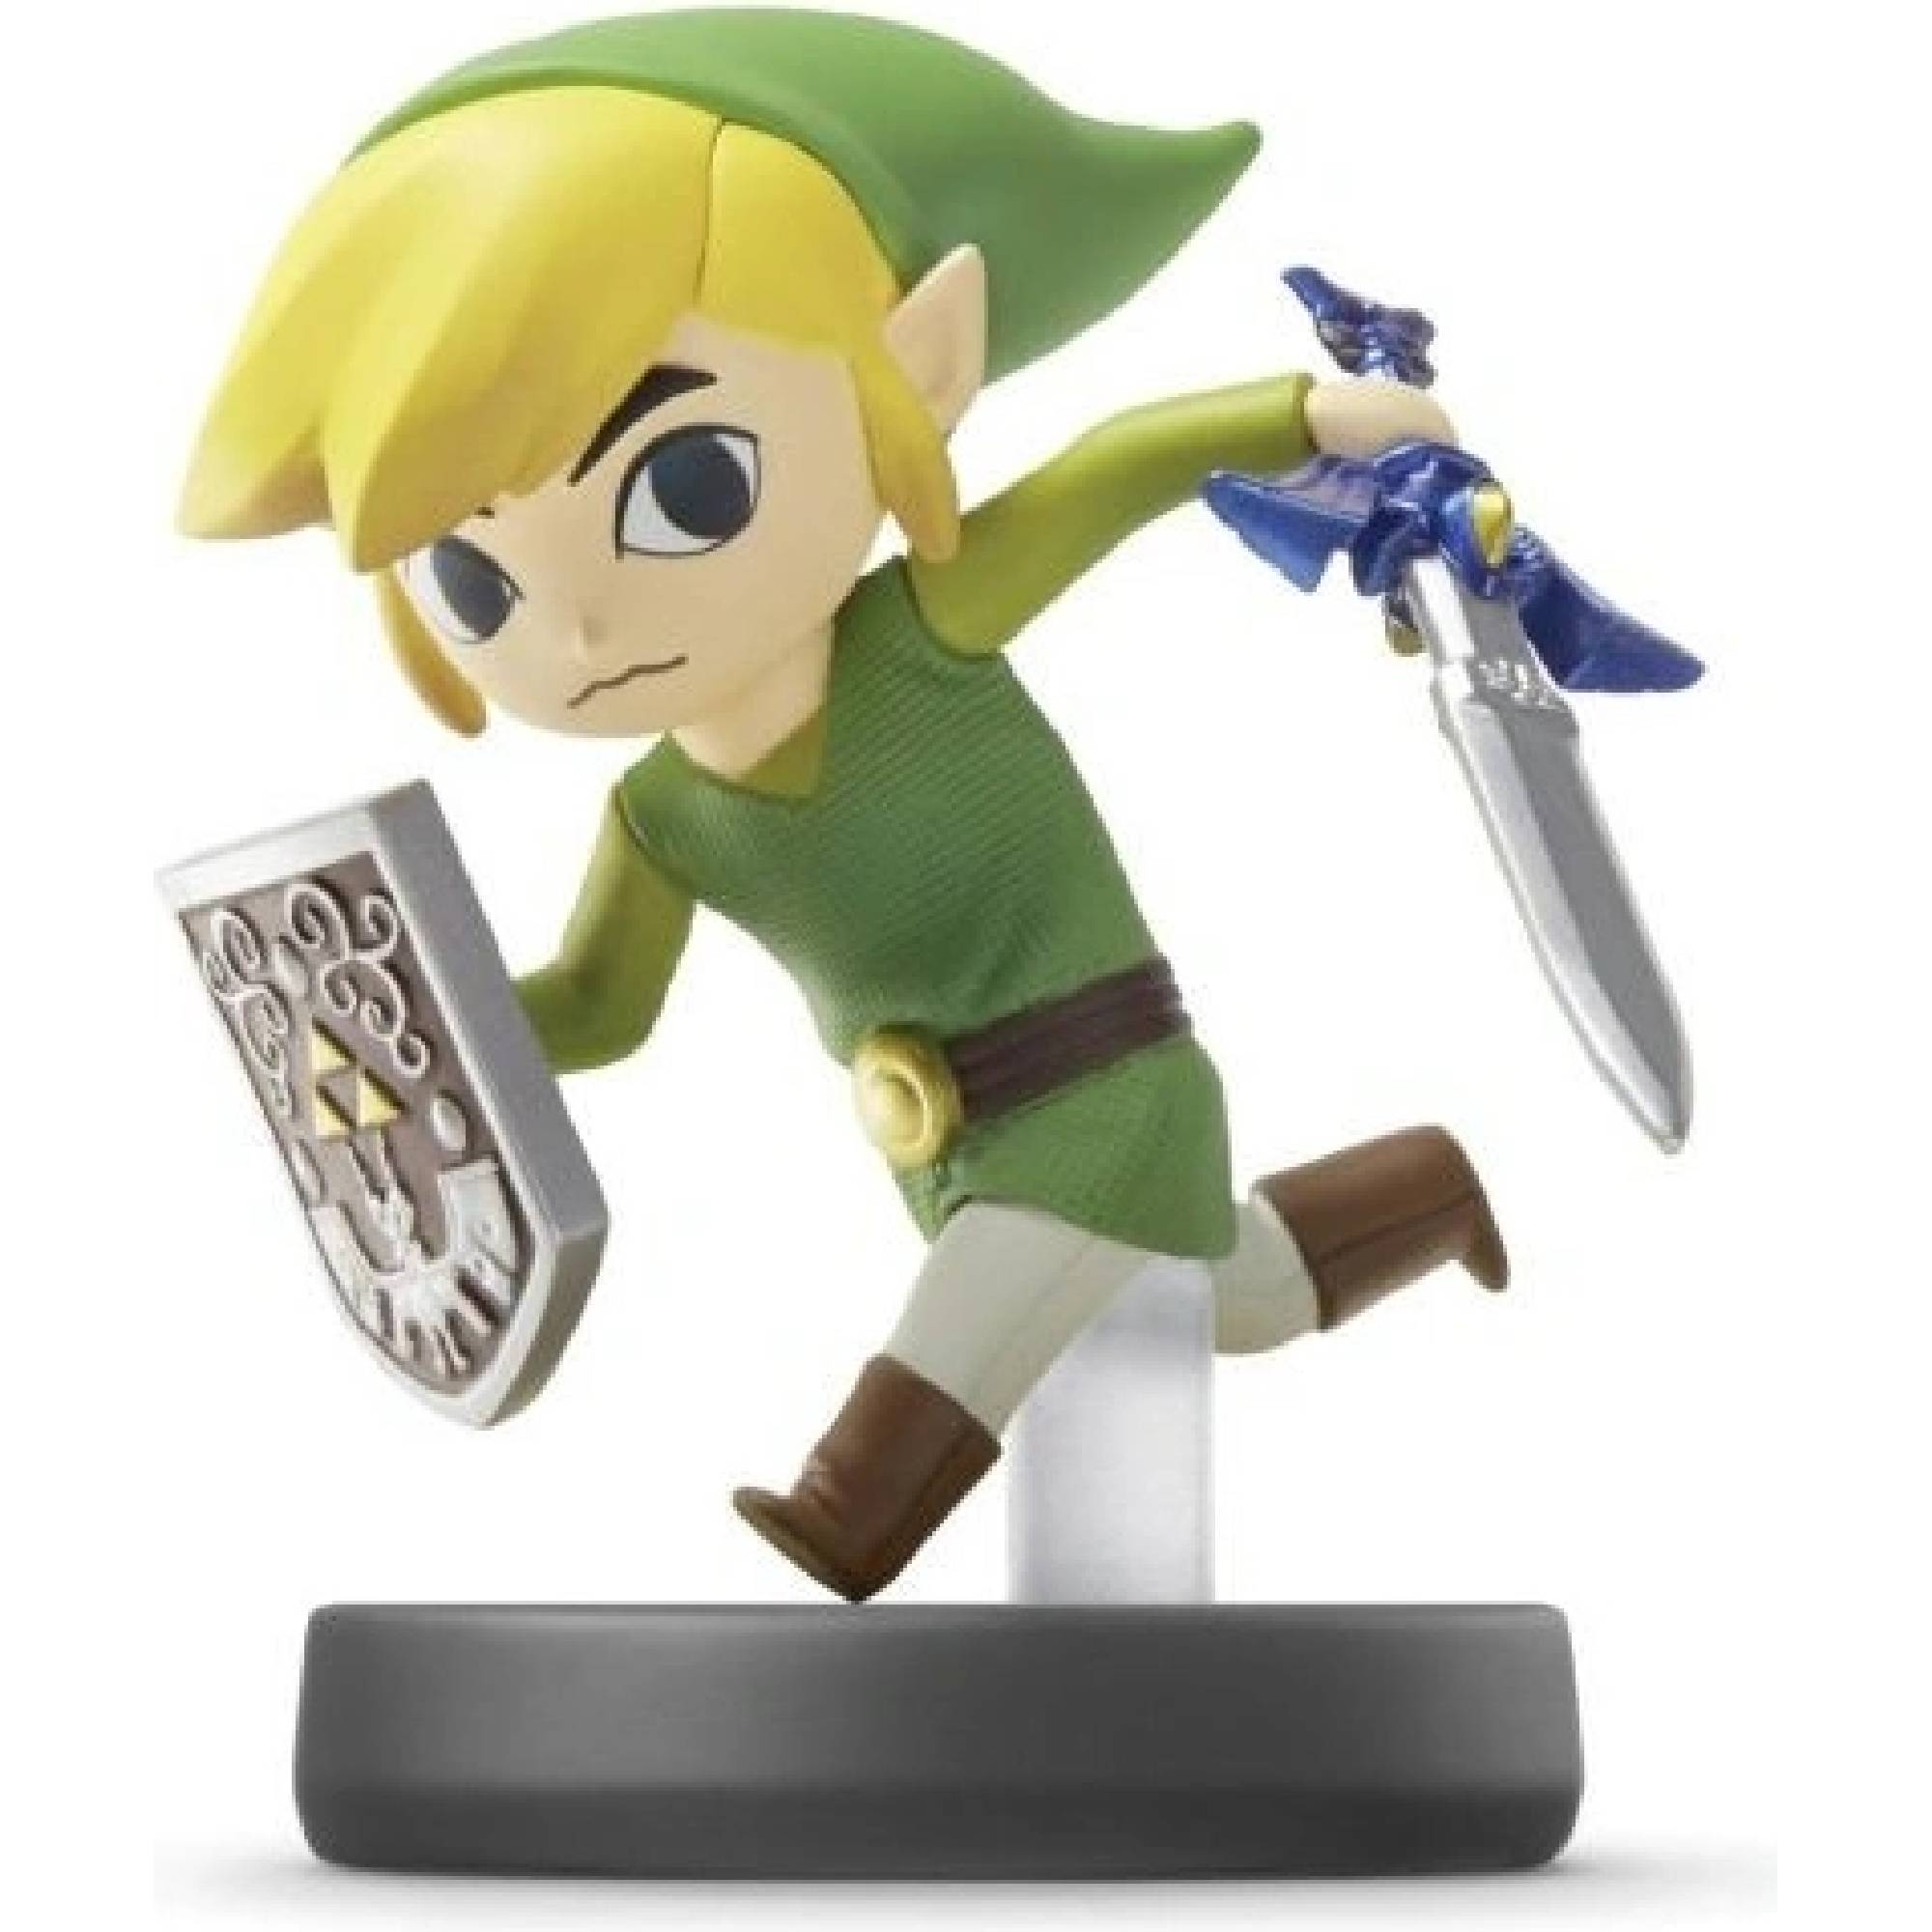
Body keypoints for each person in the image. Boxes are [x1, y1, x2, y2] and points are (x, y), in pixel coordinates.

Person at [181, 10, 1506, 1602]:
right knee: (1231, 1298)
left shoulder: (922, 635)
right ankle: (1431, 1184)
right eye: (475, 574)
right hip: (941, 1146)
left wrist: (1308, 418)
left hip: (1105, 1088)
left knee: (992, 1304)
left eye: (689, 483)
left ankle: (850, 1512)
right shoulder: (663, 817)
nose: (580, 627)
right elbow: (598, 1007)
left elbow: (1105, 473)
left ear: (918, 368)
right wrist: (415, 1039)